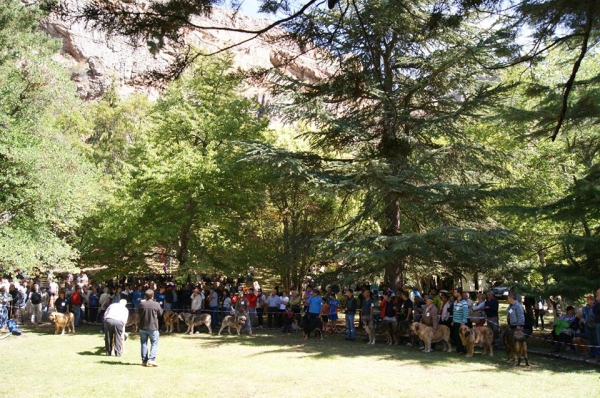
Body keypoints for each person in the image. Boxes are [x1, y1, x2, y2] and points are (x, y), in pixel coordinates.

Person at [138, 289, 163, 367]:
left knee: (143, 344)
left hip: (143, 326)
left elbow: (139, 313)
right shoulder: (156, 304)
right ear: (153, 296)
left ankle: (144, 360)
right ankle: (151, 360)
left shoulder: (142, 304)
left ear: (145, 296)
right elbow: (160, 313)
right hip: (153, 327)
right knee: (154, 343)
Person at [452, 287, 468, 354]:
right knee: (456, 336)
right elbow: (454, 312)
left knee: (462, 337)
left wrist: (463, 322)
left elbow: (466, 313)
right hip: (455, 322)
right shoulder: (455, 302)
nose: (454, 294)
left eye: (455, 292)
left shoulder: (464, 302)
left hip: (461, 323)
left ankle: (463, 350)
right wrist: (453, 320)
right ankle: (458, 349)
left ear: (459, 293)